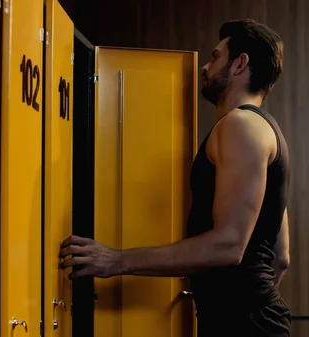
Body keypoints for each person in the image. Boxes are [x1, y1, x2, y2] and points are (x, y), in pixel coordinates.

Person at [60, 19, 292, 337]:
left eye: (216, 57)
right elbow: (280, 257)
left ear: (240, 64)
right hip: (250, 319)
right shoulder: (267, 132)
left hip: (242, 323)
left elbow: (229, 245)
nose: (206, 67)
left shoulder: (240, 127)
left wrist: (117, 260)